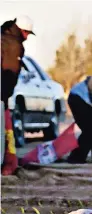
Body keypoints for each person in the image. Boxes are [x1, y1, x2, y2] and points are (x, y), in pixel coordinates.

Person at [1, 16, 35, 175]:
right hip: (2, 97)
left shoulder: (5, 38)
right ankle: (8, 165)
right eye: (27, 33)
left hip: (3, 96)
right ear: (20, 30)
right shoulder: (13, 45)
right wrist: (5, 96)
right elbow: (9, 72)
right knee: (6, 132)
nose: (28, 37)